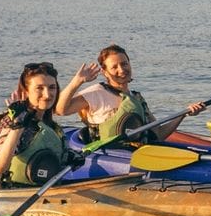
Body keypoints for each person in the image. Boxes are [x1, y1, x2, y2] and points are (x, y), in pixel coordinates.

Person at [56, 44, 198, 146]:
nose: (121, 70)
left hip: (136, 153)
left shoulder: (136, 99)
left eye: (124, 64)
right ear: (104, 72)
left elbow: (158, 133)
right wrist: (77, 82)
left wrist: (183, 114)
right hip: (109, 155)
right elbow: (60, 110)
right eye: (114, 67)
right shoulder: (95, 93)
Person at [0, 62, 76, 187]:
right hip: (15, 192)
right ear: (26, 92)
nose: (47, 95)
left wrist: (70, 158)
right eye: (39, 88)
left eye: (52, 87)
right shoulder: (10, 122)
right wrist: (18, 125)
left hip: (49, 191)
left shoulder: (52, 126)